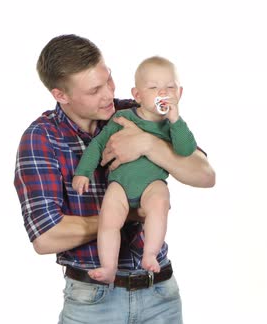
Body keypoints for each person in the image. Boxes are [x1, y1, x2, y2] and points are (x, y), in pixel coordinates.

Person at [14, 34, 215, 323]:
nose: (108, 94)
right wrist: (127, 214)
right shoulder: (42, 138)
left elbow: (205, 175)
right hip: (93, 301)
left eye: (108, 79)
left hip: (160, 293)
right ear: (61, 95)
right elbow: (46, 236)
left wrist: (149, 145)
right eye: (95, 90)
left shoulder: (134, 114)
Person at [72, 56, 196, 284]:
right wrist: (83, 172)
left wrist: (176, 119)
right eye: (153, 87)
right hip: (120, 184)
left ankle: (150, 254)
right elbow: (97, 145)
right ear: (137, 95)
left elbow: (186, 149)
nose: (163, 92)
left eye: (170, 87)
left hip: (152, 185)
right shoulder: (122, 117)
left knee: (160, 202)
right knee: (108, 218)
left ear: (179, 94)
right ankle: (109, 267)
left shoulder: (171, 125)